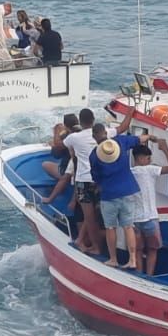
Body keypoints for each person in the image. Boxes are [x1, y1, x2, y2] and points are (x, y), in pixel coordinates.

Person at [89, 112, 144, 268]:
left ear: (94, 137)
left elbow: (96, 178)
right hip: (128, 191)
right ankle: (132, 260)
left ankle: (113, 259)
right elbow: (139, 139)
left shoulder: (94, 155)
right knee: (128, 226)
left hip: (109, 194)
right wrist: (150, 138)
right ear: (106, 133)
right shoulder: (120, 141)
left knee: (110, 227)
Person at [130, 136, 168, 275]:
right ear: (141, 158)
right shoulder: (149, 170)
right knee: (153, 249)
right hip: (150, 217)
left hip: (134, 219)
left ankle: (139, 275)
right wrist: (165, 149)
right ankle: (149, 276)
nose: (150, 161)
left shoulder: (130, 172)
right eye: (148, 158)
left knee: (137, 250)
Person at [58, 109, 103, 255]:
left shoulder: (74, 138)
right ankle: (92, 245)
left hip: (83, 181)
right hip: (98, 181)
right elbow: (120, 128)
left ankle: (90, 244)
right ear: (94, 120)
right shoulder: (103, 132)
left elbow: (61, 144)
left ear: (80, 121)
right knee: (94, 216)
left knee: (88, 217)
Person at [42, 112, 79, 180]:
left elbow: (56, 155)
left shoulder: (66, 138)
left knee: (45, 164)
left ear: (65, 126)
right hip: (80, 169)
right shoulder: (83, 134)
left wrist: (56, 133)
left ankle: (62, 179)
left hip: (69, 172)